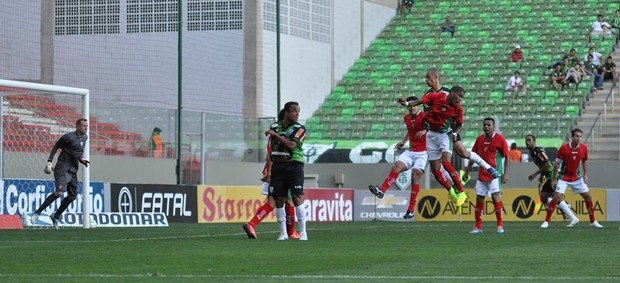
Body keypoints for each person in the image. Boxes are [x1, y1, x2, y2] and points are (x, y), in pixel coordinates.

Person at [398, 85, 500, 207]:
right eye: (459, 96)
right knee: (435, 171)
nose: (460, 100)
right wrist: (407, 103)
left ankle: (462, 190)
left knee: (448, 162)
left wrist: (455, 133)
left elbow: (459, 125)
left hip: (444, 136)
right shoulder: (436, 96)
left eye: (462, 98)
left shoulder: (458, 109)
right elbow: (418, 102)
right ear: (452, 93)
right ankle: (451, 191)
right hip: (431, 136)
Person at [420, 69, 500, 199]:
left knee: (462, 153)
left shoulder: (448, 92)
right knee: (439, 166)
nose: (426, 80)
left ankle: (488, 167)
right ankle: (456, 187)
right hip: (435, 132)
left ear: (436, 78)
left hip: (449, 130)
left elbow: (457, 111)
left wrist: (454, 131)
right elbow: (429, 115)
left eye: (428, 78)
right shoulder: (427, 96)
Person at [368, 96, 428, 219]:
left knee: (415, 177)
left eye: (414, 105)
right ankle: (382, 190)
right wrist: (403, 141)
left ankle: (411, 210)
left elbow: (434, 127)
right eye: (410, 106)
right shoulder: (406, 118)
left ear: (418, 105)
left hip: (424, 152)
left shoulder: (424, 116)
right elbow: (410, 131)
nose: (412, 108)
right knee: (396, 167)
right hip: (411, 151)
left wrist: (424, 132)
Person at [243, 110, 299, 239]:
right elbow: (271, 155)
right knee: (288, 201)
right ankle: (291, 232)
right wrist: (270, 172)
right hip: (277, 171)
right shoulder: (279, 135)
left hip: (272, 170)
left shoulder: (275, 135)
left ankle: (252, 224)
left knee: (272, 202)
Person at [31, 118, 90, 229]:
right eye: (83, 126)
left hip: (73, 169)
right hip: (62, 168)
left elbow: (75, 152)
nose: (85, 128)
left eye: (86, 126)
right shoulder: (68, 137)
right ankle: (38, 212)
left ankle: (56, 215)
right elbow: (56, 146)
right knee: (59, 193)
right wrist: (49, 161)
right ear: (77, 127)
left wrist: (81, 160)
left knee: (72, 197)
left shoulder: (85, 137)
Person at [541, 129, 603, 229]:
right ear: (572, 137)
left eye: (580, 136)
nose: (579, 138)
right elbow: (556, 163)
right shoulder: (564, 148)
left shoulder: (583, 148)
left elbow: (585, 160)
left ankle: (593, 221)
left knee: (588, 197)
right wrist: (554, 179)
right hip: (563, 177)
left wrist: (585, 174)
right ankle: (546, 221)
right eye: (577, 136)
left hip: (576, 177)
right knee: (556, 197)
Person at [264, 101, 308, 240]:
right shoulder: (275, 126)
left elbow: (291, 145)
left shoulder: (300, 129)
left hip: (294, 166)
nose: (297, 114)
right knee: (278, 199)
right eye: (294, 111)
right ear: (287, 112)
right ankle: (283, 233)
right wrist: (269, 169)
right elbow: (271, 148)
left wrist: (276, 135)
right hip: (278, 166)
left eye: (298, 111)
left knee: (296, 197)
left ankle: (303, 233)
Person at [462, 118, 509, 234]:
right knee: (479, 198)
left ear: (493, 126)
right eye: (485, 125)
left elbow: (507, 157)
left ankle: (500, 225)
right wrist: (467, 171)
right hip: (482, 174)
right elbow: (472, 156)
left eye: (489, 125)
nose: (486, 126)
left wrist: (505, 173)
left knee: (495, 196)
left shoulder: (500, 139)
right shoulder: (479, 139)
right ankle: (478, 227)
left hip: (495, 174)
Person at [525, 135, 578, 224]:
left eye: (529, 140)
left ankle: (573, 218)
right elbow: (543, 166)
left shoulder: (538, 151)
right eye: (526, 140)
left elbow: (547, 165)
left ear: (534, 141)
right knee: (544, 197)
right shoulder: (533, 153)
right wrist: (542, 176)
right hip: (548, 175)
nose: (527, 142)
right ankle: (565, 206)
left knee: (553, 197)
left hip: (553, 175)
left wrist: (535, 174)